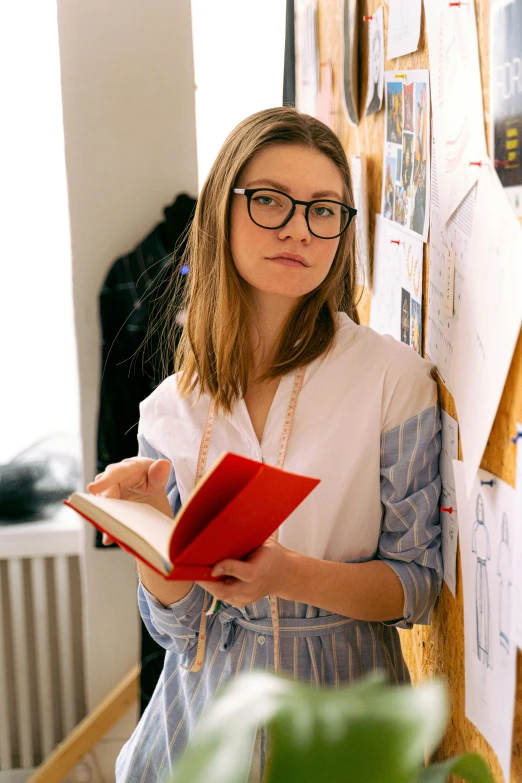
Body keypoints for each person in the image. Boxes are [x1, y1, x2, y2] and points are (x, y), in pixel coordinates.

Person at [88, 107, 442, 783]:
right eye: (271, 202)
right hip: (202, 724)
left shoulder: (391, 379)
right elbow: (181, 623)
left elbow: (417, 586)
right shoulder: (172, 406)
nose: (297, 230)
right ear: (223, 209)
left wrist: (289, 575)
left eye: (324, 210)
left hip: (342, 715)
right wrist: (146, 528)